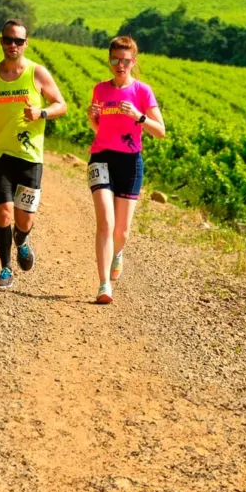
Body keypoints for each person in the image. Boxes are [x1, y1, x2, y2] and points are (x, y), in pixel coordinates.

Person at [0, 18, 67, 291]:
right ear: (1, 41)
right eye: (8, 39)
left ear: (26, 44)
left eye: (18, 41)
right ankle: (5, 269)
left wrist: (41, 113)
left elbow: (62, 104)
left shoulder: (37, 73)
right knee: (3, 214)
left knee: (24, 220)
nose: (13, 45)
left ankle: (21, 240)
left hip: (29, 157)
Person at [86, 36, 165, 305]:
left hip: (130, 163)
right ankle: (104, 284)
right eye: (115, 60)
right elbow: (101, 130)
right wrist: (91, 118)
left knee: (122, 231)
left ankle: (117, 254)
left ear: (134, 61)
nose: (120, 65)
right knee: (105, 222)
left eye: (125, 60)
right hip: (100, 158)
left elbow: (161, 131)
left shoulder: (142, 91)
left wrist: (138, 116)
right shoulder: (100, 89)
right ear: (109, 60)